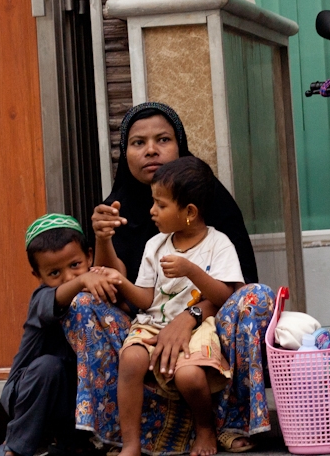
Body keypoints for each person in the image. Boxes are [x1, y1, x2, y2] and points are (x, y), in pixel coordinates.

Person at [65, 102, 273, 455]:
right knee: (83, 303)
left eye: (162, 139)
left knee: (258, 296)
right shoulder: (115, 210)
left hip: (206, 323)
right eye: (137, 142)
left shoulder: (214, 206)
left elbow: (237, 287)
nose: (150, 150)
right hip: (144, 323)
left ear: (180, 145)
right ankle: (124, 434)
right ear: (124, 153)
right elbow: (117, 292)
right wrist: (101, 239)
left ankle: (227, 423)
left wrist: (189, 317)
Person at [100, 157, 243, 456]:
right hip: (153, 323)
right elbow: (146, 300)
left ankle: (205, 429)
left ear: (189, 212)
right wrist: (121, 281)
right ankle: (131, 443)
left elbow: (224, 296)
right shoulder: (156, 245)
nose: (152, 211)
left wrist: (191, 270)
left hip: (199, 327)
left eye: (160, 205)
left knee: (189, 376)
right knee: (131, 360)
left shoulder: (219, 245)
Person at [0, 215, 121, 456]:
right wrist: (83, 278)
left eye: (75, 265)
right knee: (49, 367)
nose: (68, 277)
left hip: (73, 394)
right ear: (39, 276)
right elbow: (59, 297)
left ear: (89, 255)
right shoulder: (41, 298)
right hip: (30, 392)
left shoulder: (94, 288)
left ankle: (73, 444)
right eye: (54, 272)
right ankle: (13, 448)